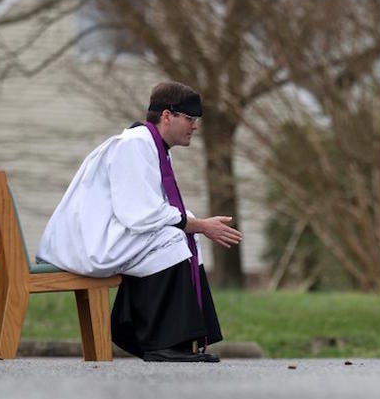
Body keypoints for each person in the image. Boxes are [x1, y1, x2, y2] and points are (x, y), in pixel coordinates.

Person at [37, 81, 243, 362]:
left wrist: (195, 224)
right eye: (190, 119)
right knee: (172, 235)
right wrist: (202, 226)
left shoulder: (148, 145)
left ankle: (177, 341)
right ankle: (160, 342)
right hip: (88, 243)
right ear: (167, 116)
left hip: (103, 235)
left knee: (184, 229)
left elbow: (152, 211)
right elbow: (140, 214)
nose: (195, 126)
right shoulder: (134, 146)